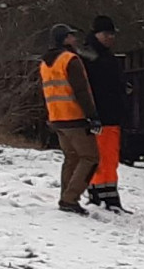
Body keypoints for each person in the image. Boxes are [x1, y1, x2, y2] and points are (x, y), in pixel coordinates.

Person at [39, 24, 101, 215]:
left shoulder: (45, 63)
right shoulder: (70, 60)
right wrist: (93, 116)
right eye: (71, 36)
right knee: (90, 158)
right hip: (74, 117)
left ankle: (66, 197)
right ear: (64, 39)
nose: (75, 39)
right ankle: (70, 198)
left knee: (71, 158)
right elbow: (81, 91)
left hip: (57, 118)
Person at [81, 15, 129, 212]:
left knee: (110, 158)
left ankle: (108, 197)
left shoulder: (103, 56)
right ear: (97, 34)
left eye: (113, 34)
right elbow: (90, 87)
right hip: (101, 116)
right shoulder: (91, 57)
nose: (111, 38)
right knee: (102, 159)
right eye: (107, 34)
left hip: (110, 116)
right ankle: (100, 197)